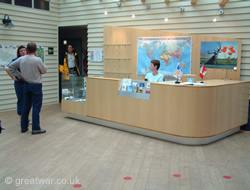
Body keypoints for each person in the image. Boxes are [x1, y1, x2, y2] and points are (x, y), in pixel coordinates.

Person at [9, 42, 47, 135]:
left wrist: (19, 76)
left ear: (27, 49)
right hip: (36, 85)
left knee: (26, 106)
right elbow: (44, 70)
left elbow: (11, 67)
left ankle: (24, 127)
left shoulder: (22, 59)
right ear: (35, 50)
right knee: (36, 107)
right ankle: (36, 128)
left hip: (26, 84)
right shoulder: (37, 60)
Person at [5, 46, 31, 124]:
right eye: (21, 51)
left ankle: (26, 119)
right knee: (21, 100)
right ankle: (21, 120)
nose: (23, 52)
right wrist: (14, 77)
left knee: (27, 101)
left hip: (27, 82)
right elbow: (7, 68)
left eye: (24, 50)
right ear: (19, 53)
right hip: (19, 83)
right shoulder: (17, 60)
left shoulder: (28, 59)